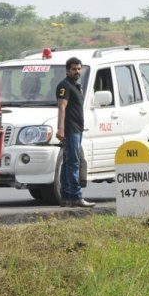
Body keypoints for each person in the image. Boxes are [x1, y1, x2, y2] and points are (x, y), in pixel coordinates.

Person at [56, 56, 94, 208]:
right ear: (67, 70)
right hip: (70, 129)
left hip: (77, 128)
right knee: (73, 163)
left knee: (67, 163)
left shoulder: (76, 86)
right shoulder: (64, 86)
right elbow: (61, 108)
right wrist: (60, 128)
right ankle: (76, 196)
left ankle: (66, 197)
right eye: (74, 69)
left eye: (79, 68)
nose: (77, 71)